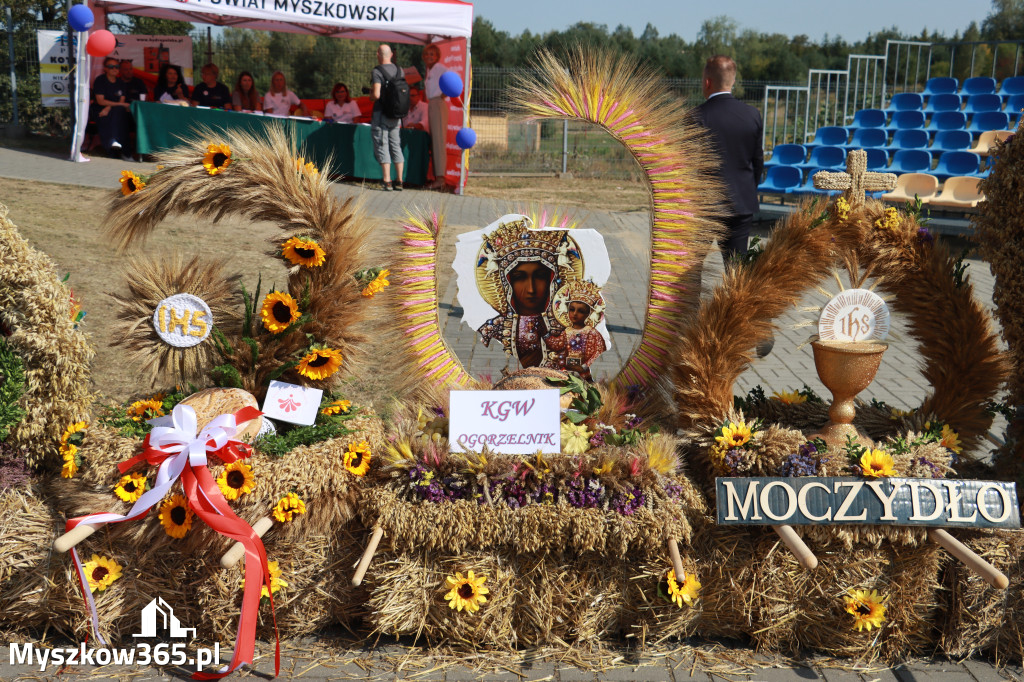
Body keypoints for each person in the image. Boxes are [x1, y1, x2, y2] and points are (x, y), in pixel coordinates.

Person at [695, 55, 764, 260]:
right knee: (736, 270)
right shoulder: (752, 115)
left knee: (691, 268)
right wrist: (746, 189)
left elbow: (687, 164)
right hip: (740, 204)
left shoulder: (695, 117)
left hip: (705, 204)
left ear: (707, 82)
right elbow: (758, 162)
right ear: (733, 81)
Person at [544, 280, 607, 381]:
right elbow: (558, 343)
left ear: (588, 314)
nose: (575, 314)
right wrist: (546, 336)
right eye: (572, 309)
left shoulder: (591, 332)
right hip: (566, 366)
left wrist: (586, 365)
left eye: (581, 311)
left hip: (582, 369)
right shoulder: (567, 331)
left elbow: (598, 350)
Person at [371, 44, 404, 191]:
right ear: (390, 55)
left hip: (381, 113)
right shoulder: (399, 70)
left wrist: (371, 95)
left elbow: (377, 94)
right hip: (396, 114)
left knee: (382, 144)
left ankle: (387, 180)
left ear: (378, 54)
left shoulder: (377, 71)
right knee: (396, 145)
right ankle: (400, 180)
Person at [91, 57, 133, 159]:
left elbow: (121, 101)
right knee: (118, 114)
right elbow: (100, 101)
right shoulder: (100, 80)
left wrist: (109, 107)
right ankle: (123, 151)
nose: (114, 69)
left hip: (112, 110)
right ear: (105, 68)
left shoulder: (121, 83)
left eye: (117, 67)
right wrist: (108, 108)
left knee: (120, 114)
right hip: (99, 109)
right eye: (111, 67)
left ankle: (115, 143)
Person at [422, 44, 450, 189]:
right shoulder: (430, 69)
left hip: (438, 103)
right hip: (432, 104)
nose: (429, 57)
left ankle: (440, 178)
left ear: (437, 56)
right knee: (435, 142)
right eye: (427, 54)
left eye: (432, 54)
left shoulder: (439, 68)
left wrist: (444, 94)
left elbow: (453, 79)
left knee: (439, 141)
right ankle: (437, 177)